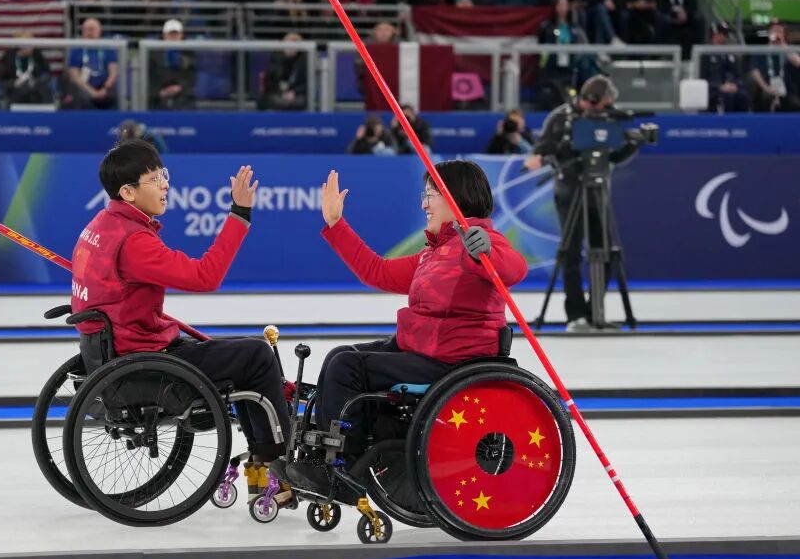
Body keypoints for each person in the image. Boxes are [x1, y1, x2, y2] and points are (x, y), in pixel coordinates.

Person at [276, 164, 527, 496]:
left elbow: (514, 270)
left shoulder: (480, 244)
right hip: (419, 349)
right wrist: (336, 224)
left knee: (347, 366)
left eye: (430, 195)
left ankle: (341, 470)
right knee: (340, 355)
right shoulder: (433, 254)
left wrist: (487, 252)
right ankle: (325, 456)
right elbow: (377, 272)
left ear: (455, 197)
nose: (424, 204)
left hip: (450, 361)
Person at [69, 141, 293, 469]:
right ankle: (280, 463)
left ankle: (265, 458)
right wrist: (239, 215)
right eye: (154, 179)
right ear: (128, 192)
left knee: (234, 357)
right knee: (256, 356)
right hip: (144, 360)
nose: (165, 185)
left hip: (114, 351)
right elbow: (205, 277)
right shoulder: (135, 242)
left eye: (163, 175)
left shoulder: (99, 226)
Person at [524, 75, 640, 331]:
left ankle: (595, 312)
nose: (600, 110)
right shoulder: (561, 118)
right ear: (589, 99)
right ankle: (575, 315)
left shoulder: (608, 117)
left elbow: (615, 155)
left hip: (598, 192)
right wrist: (539, 156)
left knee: (606, 252)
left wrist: (634, 143)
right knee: (572, 253)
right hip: (570, 192)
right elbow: (543, 146)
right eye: (598, 104)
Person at [63, 17, 118, 110]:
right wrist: (92, 92)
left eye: (92, 29)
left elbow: (114, 72)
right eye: (86, 29)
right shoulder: (76, 49)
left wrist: (105, 88)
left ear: (99, 31)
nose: (89, 32)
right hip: (84, 86)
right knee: (80, 95)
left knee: (113, 93)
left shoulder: (107, 47)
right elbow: (74, 75)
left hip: (104, 86)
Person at [748, 20, 800, 113]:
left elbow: (798, 62)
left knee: (794, 104)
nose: (776, 34)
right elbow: (755, 71)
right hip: (767, 88)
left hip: (786, 90)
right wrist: (766, 87)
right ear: (769, 33)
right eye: (774, 31)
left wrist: (783, 45)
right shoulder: (760, 51)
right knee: (765, 100)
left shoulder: (788, 50)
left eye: (779, 31)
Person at [701, 23, 749, 114]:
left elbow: (738, 74)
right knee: (727, 96)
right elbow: (703, 77)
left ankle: (743, 122)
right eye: (722, 34)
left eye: (725, 34)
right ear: (715, 35)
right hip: (713, 89)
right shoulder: (705, 55)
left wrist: (735, 85)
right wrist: (719, 86)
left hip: (730, 87)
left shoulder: (730, 55)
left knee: (742, 96)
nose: (725, 37)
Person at [148, 18, 196, 109]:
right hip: (158, 97)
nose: (173, 37)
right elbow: (149, 77)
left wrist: (179, 88)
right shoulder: (153, 54)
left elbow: (192, 77)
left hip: (183, 96)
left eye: (176, 34)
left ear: (181, 35)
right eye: (170, 34)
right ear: (164, 35)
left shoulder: (189, 53)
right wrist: (160, 92)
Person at [258, 31, 307, 110]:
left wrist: (294, 92)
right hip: (276, 92)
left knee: (299, 102)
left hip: (296, 94)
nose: (289, 49)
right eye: (286, 45)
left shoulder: (304, 61)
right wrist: (281, 93)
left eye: (292, 46)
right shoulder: (275, 58)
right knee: (273, 101)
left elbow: (306, 83)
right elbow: (269, 81)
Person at [0, 39, 52, 106]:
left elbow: (46, 75)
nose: (32, 48)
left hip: (35, 89)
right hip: (14, 90)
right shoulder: (9, 57)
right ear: (21, 46)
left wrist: (35, 82)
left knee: (44, 90)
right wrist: (14, 83)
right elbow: (1, 79)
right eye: (29, 45)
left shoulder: (37, 55)